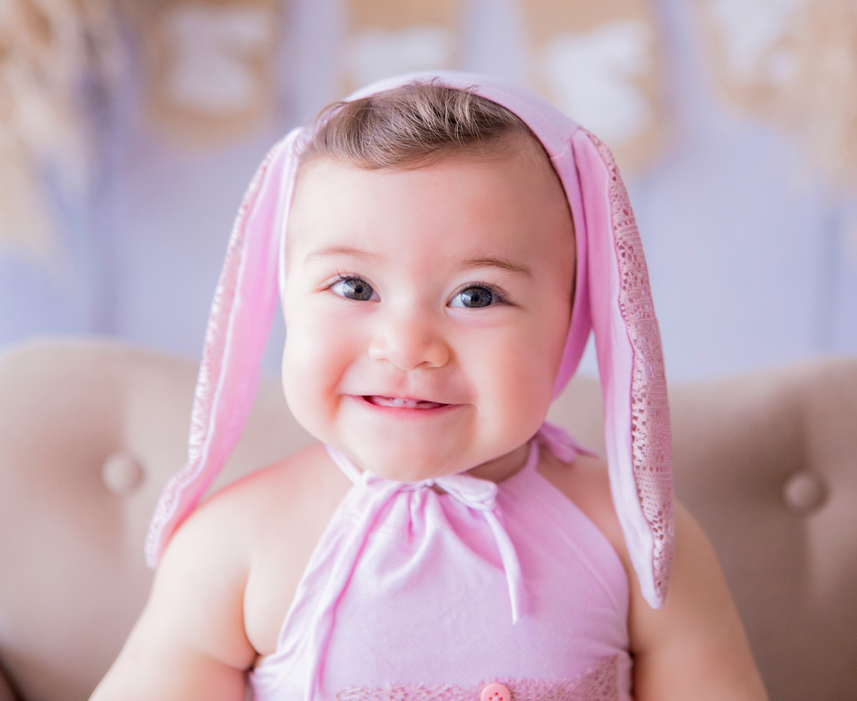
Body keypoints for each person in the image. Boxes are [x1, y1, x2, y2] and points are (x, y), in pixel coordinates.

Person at [91, 73, 768, 701]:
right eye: (354, 287)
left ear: (575, 320)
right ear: (285, 299)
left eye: (478, 295)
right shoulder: (232, 548)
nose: (408, 344)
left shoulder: (635, 544)